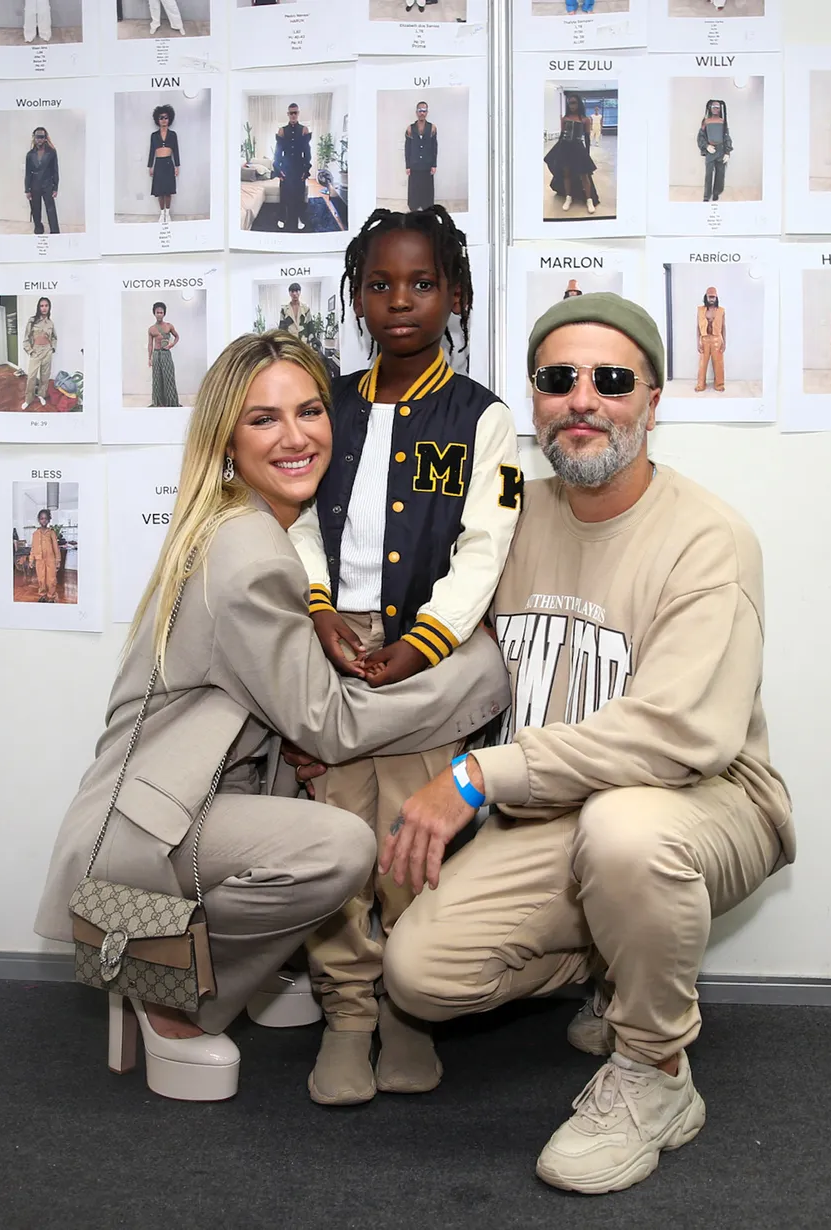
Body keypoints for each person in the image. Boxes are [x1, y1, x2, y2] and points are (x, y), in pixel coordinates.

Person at [381, 291, 794, 1197]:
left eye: (611, 379)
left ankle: (655, 1073)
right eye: (558, 380)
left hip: (703, 802)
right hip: (556, 812)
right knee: (417, 976)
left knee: (628, 836)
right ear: (533, 403)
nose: (583, 399)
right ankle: (624, 956)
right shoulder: (510, 518)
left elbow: (679, 735)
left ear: (653, 398)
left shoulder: (708, 538)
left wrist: (480, 775)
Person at [33, 331, 510, 1104]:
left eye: (311, 410)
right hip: (150, 829)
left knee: (326, 791)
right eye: (264, 420)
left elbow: (288, 716)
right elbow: (330, 725)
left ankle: (194, 965)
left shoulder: (238, 523)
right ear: (226, 438)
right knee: (340, 849)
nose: (296, 436)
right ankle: (166, 991)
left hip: (181, 797)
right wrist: (479, 671)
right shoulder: (252, 553)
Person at [288, 206, 521, 1107]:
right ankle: (346, 1009)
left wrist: (425, 642)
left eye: (420, 283)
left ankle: (406, 1013)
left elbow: (485, 543)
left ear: (454, 295)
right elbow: (297, 514)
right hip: (334, 642)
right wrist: (318, 608)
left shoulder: (483, 419)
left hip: (430, 657)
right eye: (379, 284)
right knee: (337, 836)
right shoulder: (328, 404)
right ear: (355, 298)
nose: (399, 301)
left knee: (410, 840)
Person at [544, 92, 599, 216]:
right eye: (569, 103)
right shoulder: (565, 119)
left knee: (584, 175)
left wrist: (587, 153)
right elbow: (561, 136)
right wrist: (557, 151)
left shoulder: (585, 119)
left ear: (578, 103)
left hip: (578, 148)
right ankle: (568, 198)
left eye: (574, 102)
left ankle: (589, 200)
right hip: (565, 147)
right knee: (566, 173)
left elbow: (587, 138)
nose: (571, 105)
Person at [275, 103, 312, 234]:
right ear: (288, 114)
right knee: (284, 194)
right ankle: (283, 218)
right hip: (285, 166)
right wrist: (278, 170)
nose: (293, 115)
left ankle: (299, 218)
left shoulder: (304, 130)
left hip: (299, 167)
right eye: (291, 113)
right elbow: (278, 152)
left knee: (299, 195)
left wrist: (306, 169)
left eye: (295, 112)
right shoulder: (282, 130)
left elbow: (307, 152)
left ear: (298, 113)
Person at [22, 297, 57, 410]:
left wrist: (52, 349)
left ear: (49, 307)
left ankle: (42, 395)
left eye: (46, 305)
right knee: (31, 377)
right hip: (36, 351)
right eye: (42, 306)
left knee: (45, 376)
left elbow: (54, 337)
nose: (44, 308)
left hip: (47, 351)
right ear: (38, 307)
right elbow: (26, 338)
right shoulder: (32, 321)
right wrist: (30, 351)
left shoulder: (50, 323)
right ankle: (28, 399)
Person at [148, 104, 180, 225]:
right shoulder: (154, 136)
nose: (163, 120)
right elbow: (152, 151)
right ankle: (162, 214)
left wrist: (177, 166)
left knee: (168, 190)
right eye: (161, 117)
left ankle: (167, 213)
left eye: (166, 117)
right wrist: (150, 166)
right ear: (157, 119)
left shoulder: (173, 135)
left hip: (168, 163)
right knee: (159, 190)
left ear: (169, 119)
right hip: (159, 164)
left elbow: (176, 151)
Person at [25, 127, 59, 237]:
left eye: (42, 137)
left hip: (48, 185)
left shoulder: (52, 153)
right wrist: (27, 189)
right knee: (36, 209)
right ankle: (38, 229)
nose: (39, 139)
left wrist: (55, 188)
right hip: (34, 185)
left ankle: (55, 231)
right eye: (37, 137)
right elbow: (28, 173)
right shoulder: (30, 155)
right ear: (34, 138)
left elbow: (55, 171)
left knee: (51, 210)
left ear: (45, 138)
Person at [405, 102, 437, 213]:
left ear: (427, 112)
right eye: (420, 110)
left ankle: (427, 206)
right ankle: (414, 206)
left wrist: (434, 164)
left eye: (424, 111)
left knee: (427, 187)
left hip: (427, 164)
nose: (422, 113)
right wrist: (408, 165)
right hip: (414, 164)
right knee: (414, 187)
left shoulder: (432, 128)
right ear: (416, 112)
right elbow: (407, 147)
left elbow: (434, 147)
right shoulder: (410, 128)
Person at [697, 99, 732, 203]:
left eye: (717, 107)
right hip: (710, 150)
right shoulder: (706, 121)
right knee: (708, 174)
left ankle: (716, 192)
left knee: (720, 173)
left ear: (720, 109)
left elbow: (727, 137)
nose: (715, 109)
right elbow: (701, 136)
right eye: (713, 107)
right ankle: (706, 196)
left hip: (721, 150)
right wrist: (706, 146)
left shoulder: (723, 122)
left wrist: (727, 152)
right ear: (710, 108)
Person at [148, 302, 180, 408]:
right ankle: (158, 403)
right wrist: (150, 358)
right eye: (157, 312)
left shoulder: (169, 326)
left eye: (161, 312)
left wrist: (171, 345)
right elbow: (150, 344)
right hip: (156, 354)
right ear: (154, 313)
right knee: (157, 378)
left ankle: (171, 402)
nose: (159, 314)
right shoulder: (151, 329)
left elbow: (177, 337)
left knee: (169, 377)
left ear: (164, 313)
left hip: (166, 354)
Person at [695, 286, 725, 392]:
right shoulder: (700, 310)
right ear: (706, 297)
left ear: (716, 297)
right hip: (704, 339)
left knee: (719, 363)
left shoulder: (721, 310)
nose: (711, 299)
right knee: (702, 364)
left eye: (713, 297)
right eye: (710, 297)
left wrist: (724, 342)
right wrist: (697, 342)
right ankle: (701, 385)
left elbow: (723, 327)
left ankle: (719, 385)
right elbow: (698, 327)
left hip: (717, 339)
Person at [28, 508, 60, 603]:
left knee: (51, 580)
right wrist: (31, 560)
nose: (44, 520)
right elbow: (33, 548)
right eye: (42, 518)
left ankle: (51, 596)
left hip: (51, 560)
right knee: (41, 579)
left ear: (49, 520)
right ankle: (43, 595)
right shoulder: (35, 534)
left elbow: (56, 548)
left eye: (46, 518)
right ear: (39, 520)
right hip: (39, 560)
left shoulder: (52, 533)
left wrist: (58, 561)